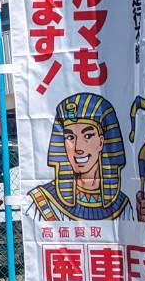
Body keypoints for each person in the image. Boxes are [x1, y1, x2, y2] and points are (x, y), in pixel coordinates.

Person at [29, 92, 134, 221]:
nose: (78, 148)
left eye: (88, 136)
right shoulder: (42, 201)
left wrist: (143, 222)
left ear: (101, 142)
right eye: (70, 137)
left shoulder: (123, 205)